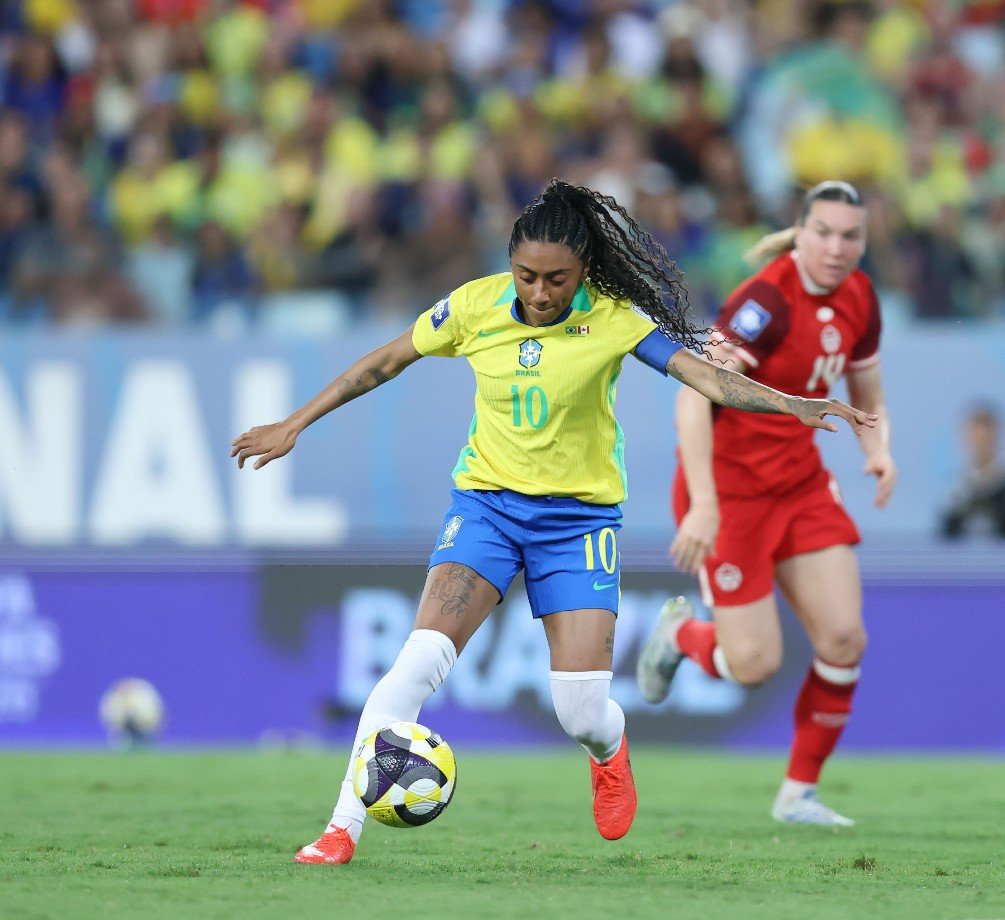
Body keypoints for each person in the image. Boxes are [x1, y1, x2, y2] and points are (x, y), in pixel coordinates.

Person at [230, 179, 876, 865]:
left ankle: (610, 750)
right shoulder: (475, 306)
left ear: (584, 272)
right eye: (528, 276)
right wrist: (295, 422)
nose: (540, 293)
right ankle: (339, 830)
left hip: (578, 524)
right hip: (487, 507)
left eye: (557, 280)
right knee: (415, 664)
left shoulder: (614, 317)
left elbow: (708, 379)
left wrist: (792, 404)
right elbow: (386, 361)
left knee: (580, 711)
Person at [635, 180, 897, 827]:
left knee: (843, 638)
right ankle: (680, 635)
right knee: (753, 664)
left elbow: (868, 396)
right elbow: (693, 396)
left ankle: (797, 795)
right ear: (801, 233)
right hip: (730, 494)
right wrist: (702, 506)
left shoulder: (861, 297)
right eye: (824, 233)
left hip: (801, 485)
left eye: (850, 236)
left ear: (864, 241)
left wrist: (878, 450)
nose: (837, 248)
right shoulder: (765, 302)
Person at [939, 401, 1005, 539]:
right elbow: (945, 536)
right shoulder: (954, 492)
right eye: (975, 436)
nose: (980, 444)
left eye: (986, 437)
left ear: (997, 437)